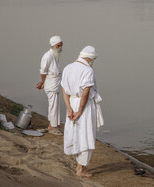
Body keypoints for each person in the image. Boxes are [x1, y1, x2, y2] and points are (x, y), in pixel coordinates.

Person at [61, 46, 104, 177]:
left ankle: (79, 164)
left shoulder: (68, 67)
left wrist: (68, 107)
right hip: (83, 105)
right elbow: (85, 93)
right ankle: (81, 169)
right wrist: (80, 111)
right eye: (94, 58)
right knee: (86, 135)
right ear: (90, 58)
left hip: (72, 102)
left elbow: (64, 89)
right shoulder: (88, 70)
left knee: (75, 132)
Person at [36, 35, 63, 135]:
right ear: (53, 46)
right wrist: (42, 82)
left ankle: (54, 124)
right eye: (58, 46)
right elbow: (43, 72)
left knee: (56, 105)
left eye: (61, 46)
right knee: (53, 105)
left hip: (55, 83)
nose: (60, 48)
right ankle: (52, 127)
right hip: (51, 84)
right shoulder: (47, 56)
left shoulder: (55, 55)